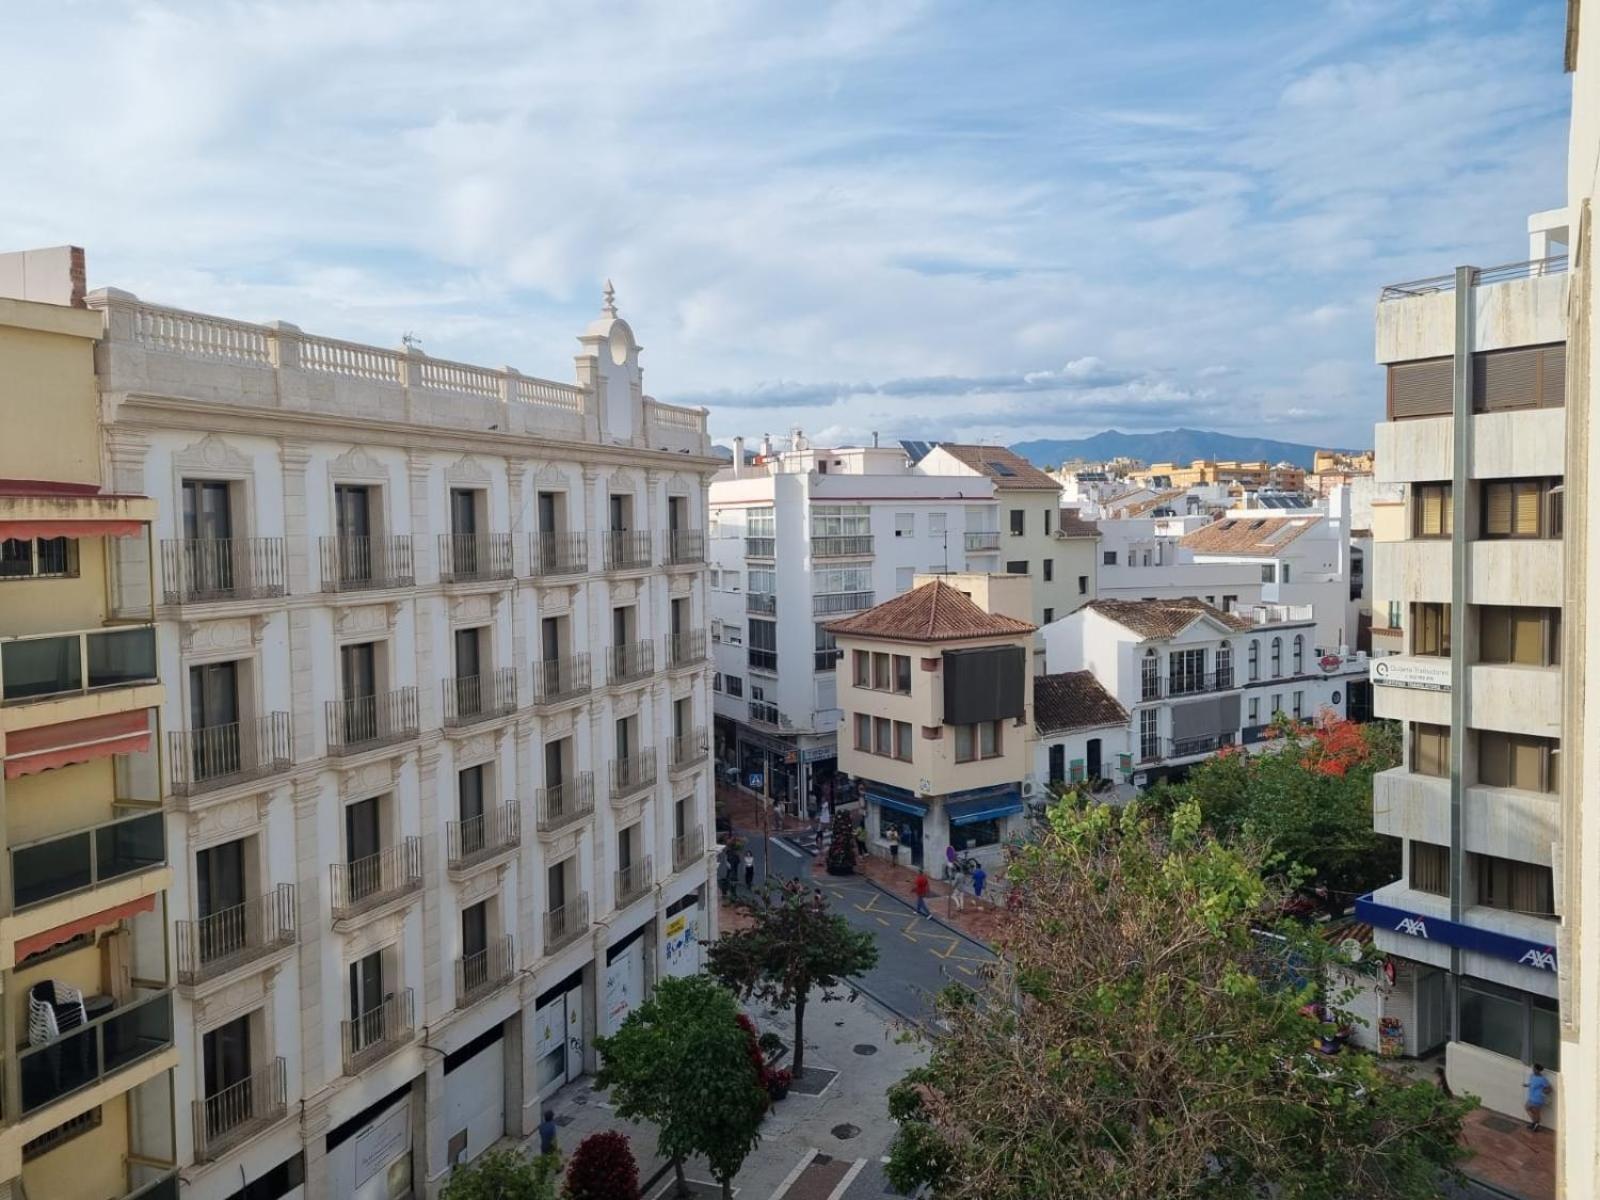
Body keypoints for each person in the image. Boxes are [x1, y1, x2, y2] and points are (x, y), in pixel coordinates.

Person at [1526, 1063, 1553, 1132]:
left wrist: (1544, 1092)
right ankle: (1535, 1123)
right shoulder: (1532, 1076)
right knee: (1529, 1109)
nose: (1533, 1070)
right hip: (1531, 1097)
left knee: (1534, 1111)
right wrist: (1527, 1085)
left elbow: (1549, 1089)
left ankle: (1535, 1124)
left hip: (1537, 1098)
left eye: (1534, 1069)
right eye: (1533, 1068)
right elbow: (1532, 1084)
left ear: (1538, 1070)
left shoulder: (1543, 1079)